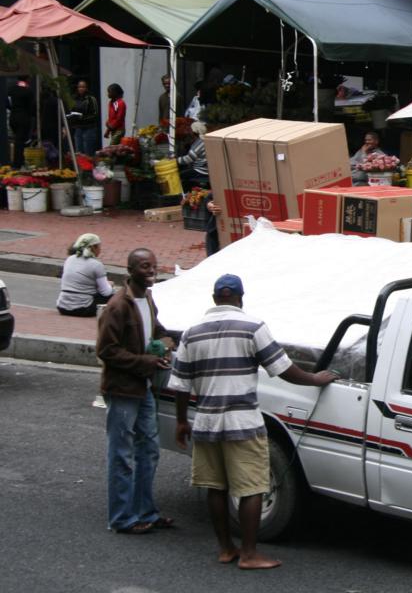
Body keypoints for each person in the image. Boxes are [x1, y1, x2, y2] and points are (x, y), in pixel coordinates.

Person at [170, 274, 337, 569]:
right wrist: (314, 379)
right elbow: (282, 368)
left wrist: (182, 421)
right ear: (240, 298)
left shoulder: (191, 334)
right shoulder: (252, 327)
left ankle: (226, 549)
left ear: (214, 299)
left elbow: (180, 384)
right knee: (252, 487)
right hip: (243, 422)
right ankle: (249, 554)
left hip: (206, 422)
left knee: (216, 487)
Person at [96, 248, 175, 535]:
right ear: (130, 270)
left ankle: (145, 512)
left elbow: (157, 331)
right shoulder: (117, 306)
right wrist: (146, 362)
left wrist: (165, 343)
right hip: (123, 389)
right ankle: (122, 518)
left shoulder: (148, 299)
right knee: (122, 454)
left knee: (149, 450)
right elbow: (106, 351)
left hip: (144, 387)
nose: (151, 270)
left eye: (153, 265)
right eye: (144, 266)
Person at [56, 233, 115, 317]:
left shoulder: (69, 259)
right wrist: (110, 285)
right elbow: (106, 292)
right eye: (99, 246)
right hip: (84, 308)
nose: (100, 249)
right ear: (93, 247)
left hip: (62, 307)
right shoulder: (96, 265)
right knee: (116, 296)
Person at [8, 75, 35, 168]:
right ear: (27, 79)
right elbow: (31, 107)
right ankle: (18, 163)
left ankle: (19, 161)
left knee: (18, 139)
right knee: (20, 141)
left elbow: (7, 103)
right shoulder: (28, 91)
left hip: (13, 117)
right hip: (24, 118)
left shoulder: (11, 89)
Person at [68, 79, 100, 156]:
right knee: (78, 151)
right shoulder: (74, 98)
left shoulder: (91, 99)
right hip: (78, 127)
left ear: (86, 88)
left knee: (88, 151)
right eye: (79, 87)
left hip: (89, 127)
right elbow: (71, 110)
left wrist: (83, 117)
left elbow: (95, 114)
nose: (81, 89)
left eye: (83, 87)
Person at [178, 121, 210, 188]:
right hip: (205, 169)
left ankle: (185, 192)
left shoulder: (200, 143)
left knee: (179, 176)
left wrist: (175, 160)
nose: (189, 132)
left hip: (201, 170)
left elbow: (188, 159)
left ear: (194, 132)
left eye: (190, 130)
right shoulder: (205, 140)